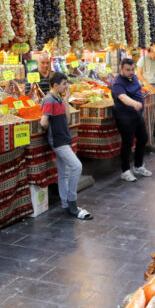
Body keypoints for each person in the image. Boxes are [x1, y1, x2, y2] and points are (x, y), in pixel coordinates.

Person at [41, 73, 92, 219]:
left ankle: (65, 203)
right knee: (77, 167)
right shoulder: (49, 100)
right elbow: (43, 121)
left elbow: (67, 119)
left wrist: (66, 99)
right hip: (58, 141)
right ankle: (72, 201)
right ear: (55, 85)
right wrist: (51, 129)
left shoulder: (57, 99)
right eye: (64, 84)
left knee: (63, 173)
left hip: (63, 138)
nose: (66, 86)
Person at [111, 58, 152, 182]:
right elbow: (122, 97)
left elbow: (137, 90)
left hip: (136, 116)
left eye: (132, 69)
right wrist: (135, 103)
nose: (131, 72)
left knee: (143, 138)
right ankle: (125, 171)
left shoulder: (133, 77)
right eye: (128, 70)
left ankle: (138, 166)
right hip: (124, 117)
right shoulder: (117, 82)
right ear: (121, 69)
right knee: (127, 143)